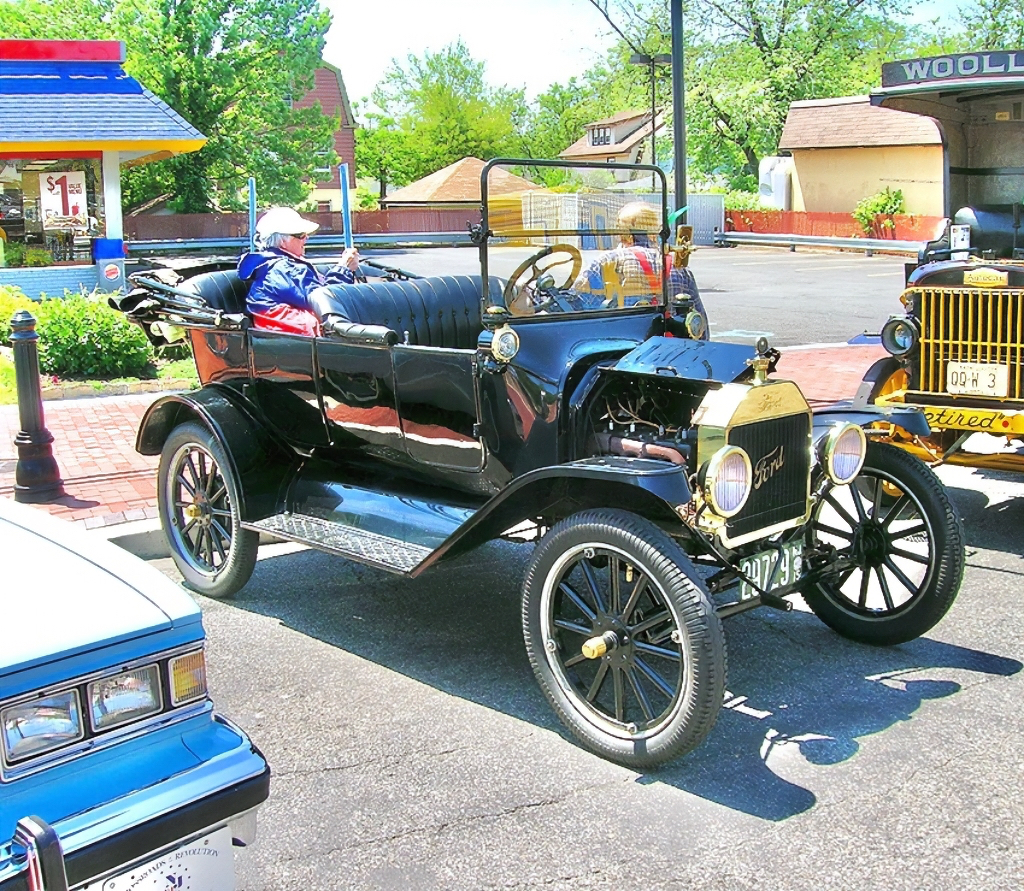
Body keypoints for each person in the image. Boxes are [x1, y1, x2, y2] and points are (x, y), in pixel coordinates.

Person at [571, 201, 709, 338]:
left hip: (623, 352)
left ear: (621, 231)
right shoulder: (680, 268)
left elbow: (577, 309)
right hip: (670, 353)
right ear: (655, 231)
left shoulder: (608, 261)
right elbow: (700, 327)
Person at [237, 206, 362, 336]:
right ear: (282, 242)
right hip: (296, 343)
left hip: (290, 340)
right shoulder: (285, 268)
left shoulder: (274, 265)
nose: (306, 238)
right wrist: (343, 268)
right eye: (300, 235)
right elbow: (326, 300)